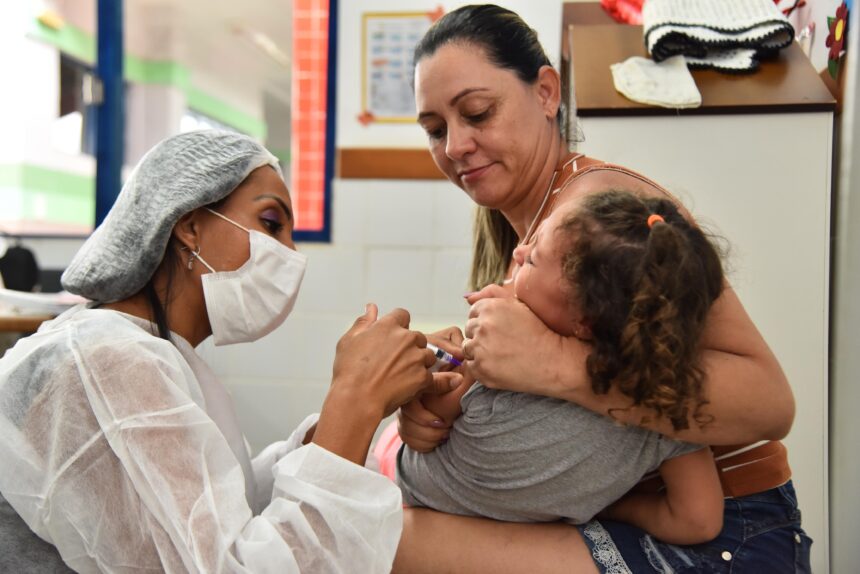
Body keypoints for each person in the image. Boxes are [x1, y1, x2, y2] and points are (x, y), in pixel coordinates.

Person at [392, 4, 811, 573]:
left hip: (730, 526)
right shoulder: (518, 226)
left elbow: (770, 401)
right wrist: (433, 410)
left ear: (545, 92)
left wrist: (555, 362)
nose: (457, 145)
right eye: (436, 130)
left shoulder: (597, 214)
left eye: (477, 112)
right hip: (641, 507)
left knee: (382, 538)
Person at [0, 130, 446, 573]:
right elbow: (234, 565)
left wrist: (361, 406)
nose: (289, 253)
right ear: (190, 227)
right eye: (271, 223)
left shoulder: (154, 356)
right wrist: (355, 400)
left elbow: (222, 509)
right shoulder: (107, 360)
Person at [396, 189, 726, 546]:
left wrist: (457, 353)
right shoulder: (664, 412)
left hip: (417, 502)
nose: (517, 253)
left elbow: (433, 415)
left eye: (532, 260)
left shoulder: (506, 364)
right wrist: (611, 508)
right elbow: (699, 521)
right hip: (531, 533)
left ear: (584, 320)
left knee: (382, 441)